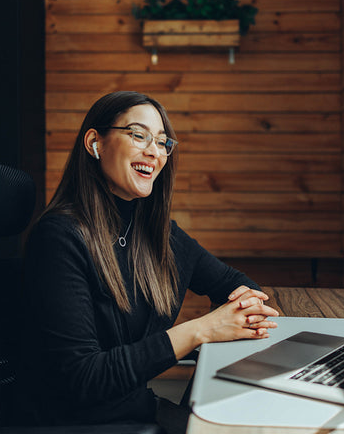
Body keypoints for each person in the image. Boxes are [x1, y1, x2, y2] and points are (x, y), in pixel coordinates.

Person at [20, 91, 278, 433]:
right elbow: (82, 379)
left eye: (162, 142)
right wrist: (200, 330)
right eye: (138, 135)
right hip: (79, 423)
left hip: (136, 410)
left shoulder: (161, 235)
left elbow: (237, 284)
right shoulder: (58, 237)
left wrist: (245, 310)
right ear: (95, 142)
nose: (154, 152)